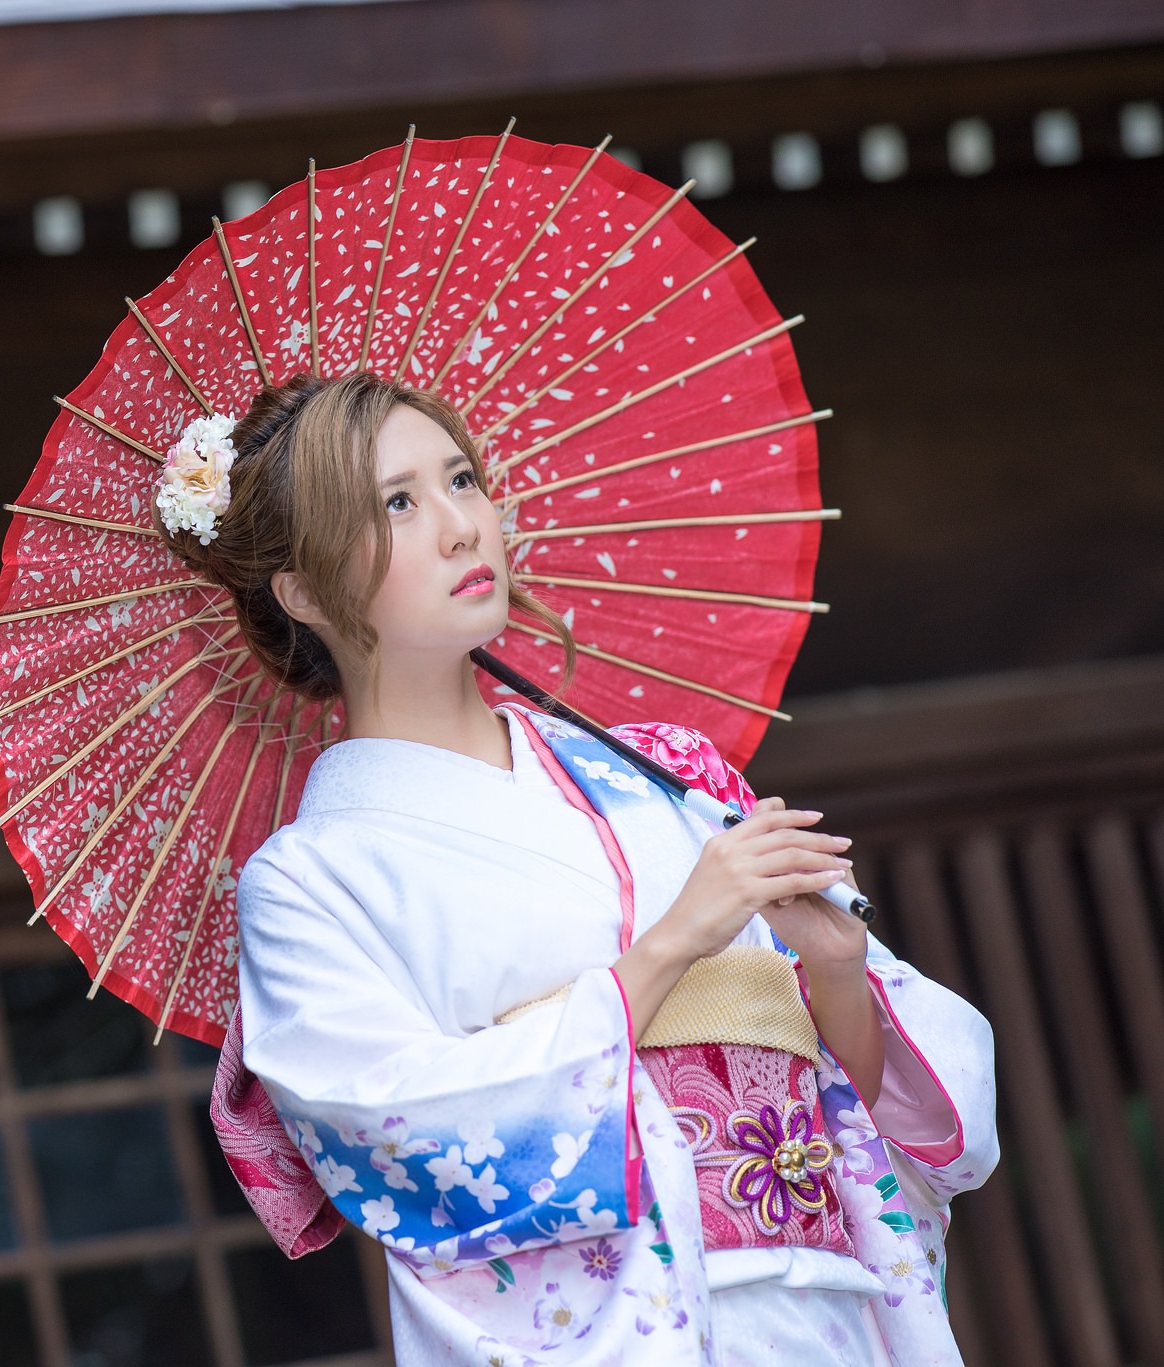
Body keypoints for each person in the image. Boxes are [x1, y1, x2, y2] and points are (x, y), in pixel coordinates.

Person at [159, 371, 996, 1366]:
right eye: (397, 501)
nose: (460, 524)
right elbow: (397, 1136)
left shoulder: (666, 772)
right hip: (615, 1332)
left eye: (461, 479)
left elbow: (860, 1102)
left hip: (821, 1305)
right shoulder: (311, 879)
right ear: (300, 590)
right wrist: (677, 937)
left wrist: (835, 970)